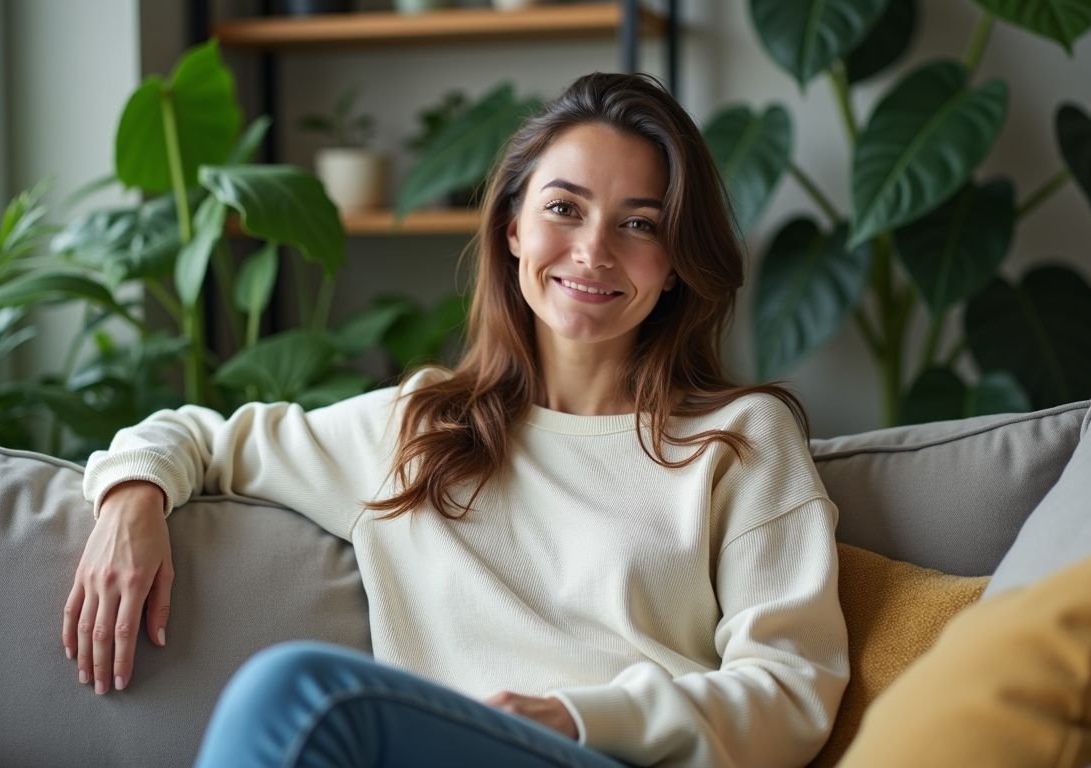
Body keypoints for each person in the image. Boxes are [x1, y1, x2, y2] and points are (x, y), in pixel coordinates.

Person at [64, 71, 849, 768]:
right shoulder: (418, 427)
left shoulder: (740, 439)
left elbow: (791, 693)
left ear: (676, 261)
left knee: (295, 692)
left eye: (638, 224)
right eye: (563, 209)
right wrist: (132, 498)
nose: (593, 251)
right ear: (513, 230)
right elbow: (199, 438)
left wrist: (574, 716)